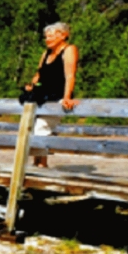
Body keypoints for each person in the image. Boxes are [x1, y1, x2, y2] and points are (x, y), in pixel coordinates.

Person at [19, 21, 79, 166]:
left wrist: (67, 97)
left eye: (51, 36)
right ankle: (37, 164)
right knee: (31, 127)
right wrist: (31, 86)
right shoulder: (46, 53)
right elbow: (39, 74)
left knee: (42, 127)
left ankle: (42, 164)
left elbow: (70, 75)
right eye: (46, 37)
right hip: (41, 96)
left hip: (56, 96)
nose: (47, 39)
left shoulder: (69, 50)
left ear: (63, 35)